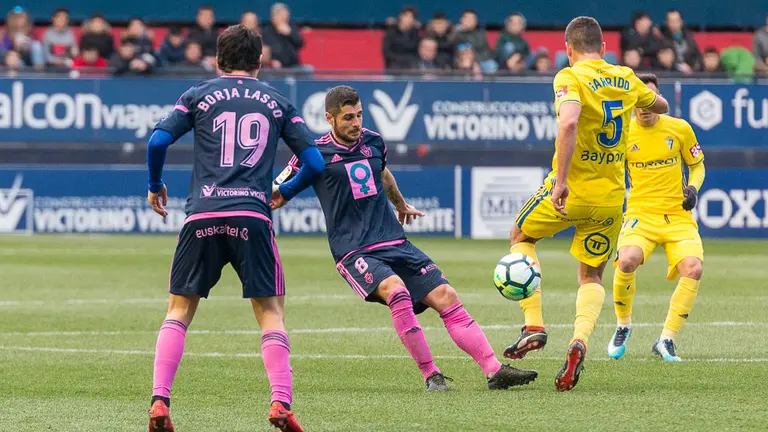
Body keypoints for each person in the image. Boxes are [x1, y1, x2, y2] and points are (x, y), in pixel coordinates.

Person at [272, 85, 538, 393]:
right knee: (396, 292)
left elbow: (383, 174)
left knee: (447, 296)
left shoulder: (373, 141)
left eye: (359, 115)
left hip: (393, 240)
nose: (356, 123)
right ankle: (432, 375)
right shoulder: (313, 153)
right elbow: (280, 188)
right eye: (348, 118)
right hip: (353, 250)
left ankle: (494, 370)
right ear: (329, 118)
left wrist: (400, 203)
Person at [145, 24, 324, 432]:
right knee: (270, 312)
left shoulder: (199, 94)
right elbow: (315, 164)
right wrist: (285, 192)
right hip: (252, 216)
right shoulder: (278, 102)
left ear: (217, 60)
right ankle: (280, 402)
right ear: (260, 61)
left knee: (179, 310)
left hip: (203, 214)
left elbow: (157, 142)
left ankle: (159, 400)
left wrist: (155, 186)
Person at [503, 16, 668, 392]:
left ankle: (534, 325)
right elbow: (659, 104)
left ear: (568, 49)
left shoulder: (569, 76)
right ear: (604, 48)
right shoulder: (625, 76)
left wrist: (560, 182)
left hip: (571, 191)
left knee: (520, 235)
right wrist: (643, 98)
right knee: (591, 276)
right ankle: (579, 340)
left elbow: (570, 122)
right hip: (610, 199)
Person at [608, 73, 705, 363]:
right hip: (640, 214)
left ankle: (666, 339)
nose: (646, 106)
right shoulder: (623, 134)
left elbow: (697, 166)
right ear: (632, 102)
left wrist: (693, 188)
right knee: (626, 260)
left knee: (694, 268)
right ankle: (623, 325)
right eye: (641, 100)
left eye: (651, 100)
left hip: (678, 216)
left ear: (661, 100)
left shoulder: (679, 129)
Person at [451, 9, 496, 73]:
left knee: (491, 65)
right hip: (460, 61)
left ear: (476, 21)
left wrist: (474, 59)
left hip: (480, 62)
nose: (469, 21)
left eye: (472, 19)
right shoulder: (456, 34)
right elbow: (455, 51)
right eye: (467, 18)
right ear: (462, 20)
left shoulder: (481, 35)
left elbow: (487, 53)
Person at [261, 3, 304, 68]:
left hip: (294, 66)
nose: (284, 18)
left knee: (308, 69)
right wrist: (271, 61)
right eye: (281, 16)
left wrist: (290, 33)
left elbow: (300, 43)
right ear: (274, 17)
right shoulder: (266, 31)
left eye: (286, 16)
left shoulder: (292, 28)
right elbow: (264, 52)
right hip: (274, 67)